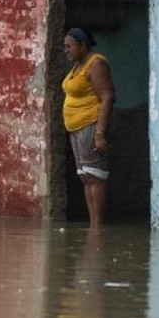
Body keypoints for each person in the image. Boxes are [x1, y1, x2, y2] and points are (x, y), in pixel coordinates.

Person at [62, 28, 116, 228]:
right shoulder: (78, 65)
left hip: (91, 126)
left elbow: (108, 97)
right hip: (77, 129)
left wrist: (100, 134)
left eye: (69, 46)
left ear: (83, 45)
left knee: (96, 176)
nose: (65, 50)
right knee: (86, 176)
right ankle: (94, 226)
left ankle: (98, 226)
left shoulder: (96, 64)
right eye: (64, 47)